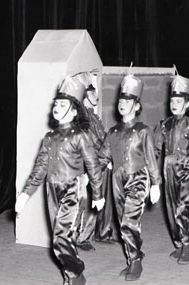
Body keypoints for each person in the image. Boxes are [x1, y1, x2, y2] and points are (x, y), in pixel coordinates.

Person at [15, 75, 104, 285]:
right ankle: (73, 276)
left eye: (63, 104)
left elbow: (93, 165)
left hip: (73, 188)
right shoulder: (49, 137)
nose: (57, 107)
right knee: (62, 237)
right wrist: (26, 194)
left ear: (73, 111)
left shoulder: (80, 135)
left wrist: (98, 194)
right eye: (56, 103)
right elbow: (40, 168)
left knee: (60, 237)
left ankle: (75, 274)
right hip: (51, 190)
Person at [98, 72, 161, 281]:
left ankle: (135, 261)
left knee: (129, 222)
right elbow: (103, 156)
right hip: (117, 181)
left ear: (137, 105)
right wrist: (91, 173)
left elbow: (151, 158)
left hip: (138, 178)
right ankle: (133, 255)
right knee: (122, 221)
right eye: (120, 101)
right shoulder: (113, 131)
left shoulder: (144, 131)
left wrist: (155, 183)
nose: (122, 104)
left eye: (127, 101)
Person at [154, 71, 189, 265]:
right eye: (172, 101)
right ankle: (178, 243)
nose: (174, 104)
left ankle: (187, 244)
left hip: (187, 167)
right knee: (170, 207)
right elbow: (155, 149)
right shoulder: (164, 125)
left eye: (179, 101)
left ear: (187, 104)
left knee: (183, 207)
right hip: (168, 168)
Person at [74, 72, 108, 252]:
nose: (97, 96)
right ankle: (77, 238)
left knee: (94, 200)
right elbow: (90, 143)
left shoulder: (93, 116)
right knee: (83, 201)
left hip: (97, 164)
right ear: (85, 95)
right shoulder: (81, 119)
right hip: (85, 165)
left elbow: (102, 139)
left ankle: (88, 236)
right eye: (93, 93)